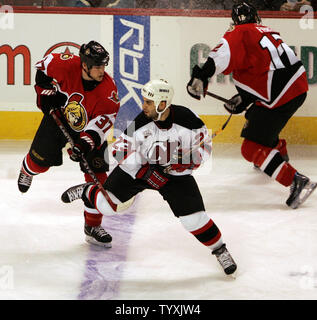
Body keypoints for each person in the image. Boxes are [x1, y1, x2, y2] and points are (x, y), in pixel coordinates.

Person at [60, 79, 237, 276]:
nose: (143, 106)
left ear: (162, 104)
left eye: (148, 102)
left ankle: (220, 249)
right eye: (144, 101)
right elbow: (119, 151)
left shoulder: (188, 120)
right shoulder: (141, 122)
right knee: (107, 206)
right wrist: (145, 173)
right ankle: (88, 190)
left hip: (175, 175)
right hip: (139, 170)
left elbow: (204, 149)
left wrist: (188, 162)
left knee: (194, 220)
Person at [187, 1, 316, 209]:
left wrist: (201, 76)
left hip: (280, 95)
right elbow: (265, 69)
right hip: (295, 87)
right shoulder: (267, 31)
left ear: (234, 21)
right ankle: (278, 153)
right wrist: (246, 98)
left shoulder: (238, 33)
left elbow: (219, 55)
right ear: (256, 17)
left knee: (250, 148)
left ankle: (296, 182)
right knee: (256, 115)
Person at [18, 40, 120, 247]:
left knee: (98, 178)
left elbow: (100, 126)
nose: (102, 71)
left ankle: (92, 226)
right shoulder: (65, 64)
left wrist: (83, 145)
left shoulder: (108, 93)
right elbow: (42, 69)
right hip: (59, 116)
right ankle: (27, 170)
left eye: (104, 66)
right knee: (39, 162)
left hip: (88, 131)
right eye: (98, 66)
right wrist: (44, 92)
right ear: (84, 65)